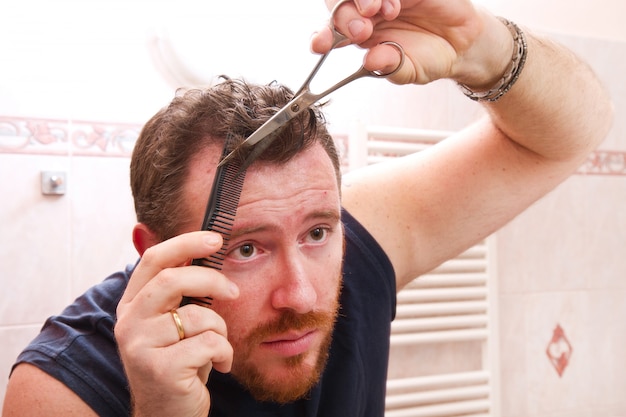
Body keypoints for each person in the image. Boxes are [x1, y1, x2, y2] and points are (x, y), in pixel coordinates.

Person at [2, 0, 613, 416]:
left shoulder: (357, 238)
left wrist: (483, 46)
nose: (300, 294)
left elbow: (571, 134)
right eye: (246, 248)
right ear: (152, 251)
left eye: (318, 232)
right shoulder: (59, 387)